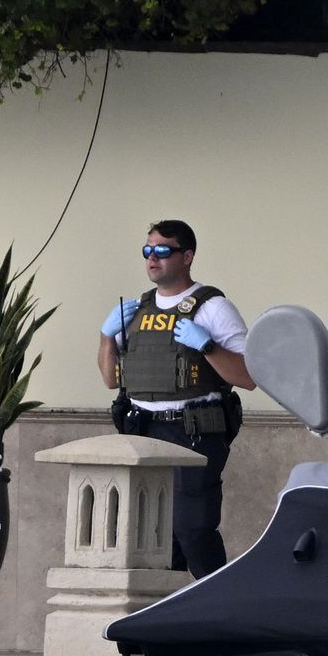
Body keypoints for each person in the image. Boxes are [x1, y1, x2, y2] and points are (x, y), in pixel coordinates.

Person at [97, 219, 255, 578]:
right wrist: (107, 337)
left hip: (193, 432)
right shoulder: (137, 311)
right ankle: (159, 624)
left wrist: (208, 346)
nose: (152, 259)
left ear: (187, 256)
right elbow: (110, 379)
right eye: (147, 251)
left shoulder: (213, 307)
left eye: (162, 251)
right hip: (142, 431)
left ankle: (216, 611)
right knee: (150, 536)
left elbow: (247, 377)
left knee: (194, 529)